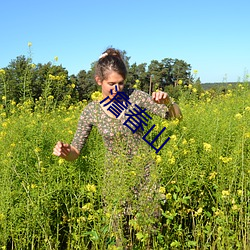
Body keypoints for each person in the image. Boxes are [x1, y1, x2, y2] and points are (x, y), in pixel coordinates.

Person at [53, 48, 182, 247]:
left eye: (121, 83)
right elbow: (76, 151)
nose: (117, 89)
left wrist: (169, 102)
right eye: (111, 84)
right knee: (120, 238)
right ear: (99, 81)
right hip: (115, 182)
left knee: (150, 236)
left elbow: (175, 118)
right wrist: (65, 152)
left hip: (146, 177)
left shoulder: (136, 97)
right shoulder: (91, 112)